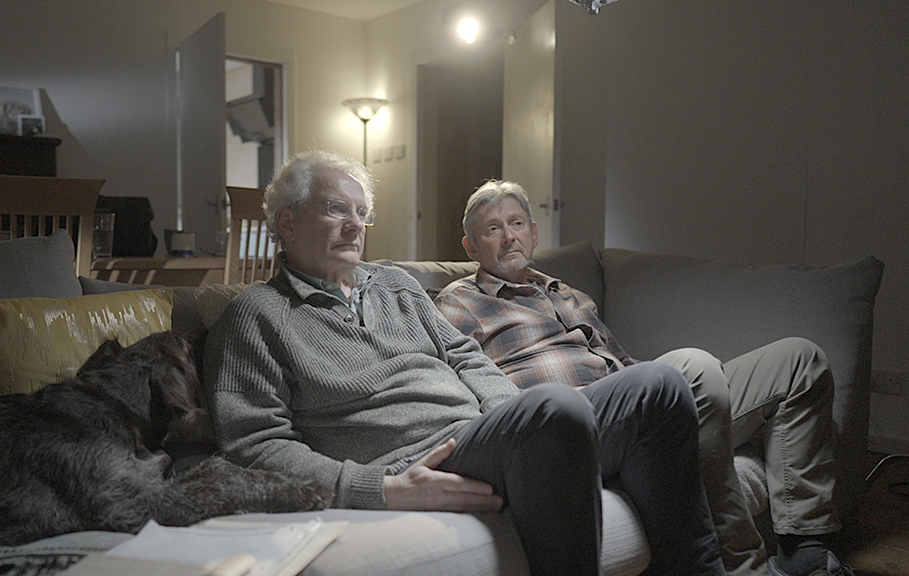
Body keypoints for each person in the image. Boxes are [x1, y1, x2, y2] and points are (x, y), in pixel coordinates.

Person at [204, 150, 725, 576]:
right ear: (287, 222)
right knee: (556, 409)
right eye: (337, 209)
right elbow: (253, 444)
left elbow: (466, 358)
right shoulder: (256, 314)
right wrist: (378, 489)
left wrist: (510, 425)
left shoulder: (395, 285)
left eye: (362, 213)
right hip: (417, 461)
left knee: (658, 384)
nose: (355, 225)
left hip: (480, 440)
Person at [433, 180, 854, 576]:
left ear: (534, 233)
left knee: (798, 360)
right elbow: (460, 383)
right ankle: (743, 567)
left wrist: (656, 380)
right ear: (471, 247)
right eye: (493, 229)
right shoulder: (458, 302)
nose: (509, 236)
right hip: (573, 423)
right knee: (694, 365)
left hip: (637, 402)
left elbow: (621, 361)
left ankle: (804, 551)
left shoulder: (568, 293)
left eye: (517, 223)